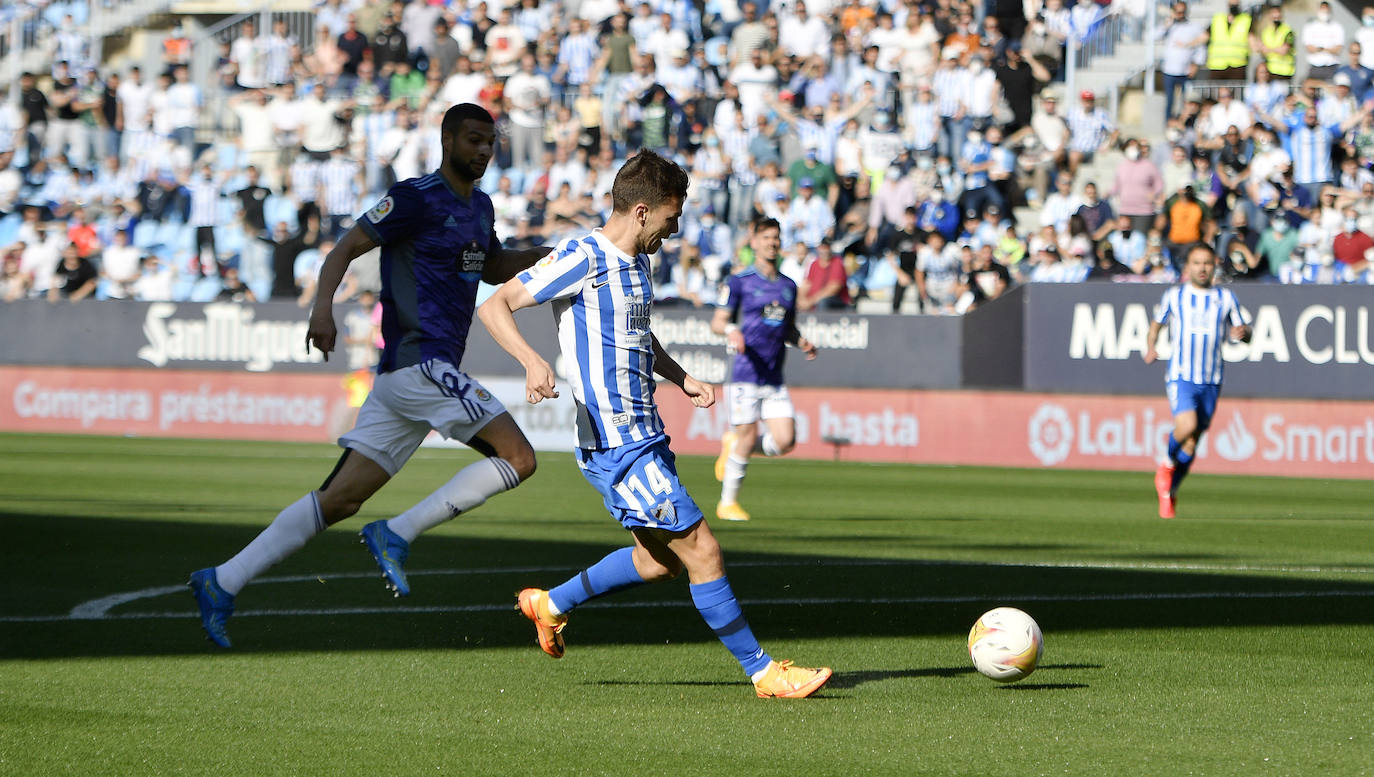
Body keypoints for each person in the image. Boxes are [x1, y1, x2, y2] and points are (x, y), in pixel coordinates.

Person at [188, 104, 551, 649]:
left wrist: (555, 257)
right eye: (473, 139)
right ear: (447, 138)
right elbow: (346, 247)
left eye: (489, 142)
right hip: (421, 364)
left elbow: (494, 267)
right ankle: (397, 532)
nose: (482, 150)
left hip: (404, 381)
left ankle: (222, 581)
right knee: (519, 458)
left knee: (338, 500)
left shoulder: (481, 207)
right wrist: (321, 310)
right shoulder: (412, 197)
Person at [477, 148, 832, 699]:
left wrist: (681, 375)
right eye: (669, 219)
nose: (672, 231)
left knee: (659, 560)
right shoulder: (582, 256)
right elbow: (496, 307)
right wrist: (531, 359)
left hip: (647, 431)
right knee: (703, 550)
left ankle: (550, 604)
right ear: (641, 211)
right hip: (615, 440)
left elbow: (636, 335)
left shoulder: (639, 262)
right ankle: (764, 673)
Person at [709, 217, 817, 523]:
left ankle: (733, 445)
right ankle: (727, 503)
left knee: (786, 441)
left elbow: (787, 329)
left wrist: (803, 341)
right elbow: (717, 321)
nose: (772, 242)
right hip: (744, 374)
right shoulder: (738, 282)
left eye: (776, 238)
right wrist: (731, 330)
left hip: (773, 376)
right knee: (748, 433)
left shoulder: (788, 286)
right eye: (766, 237)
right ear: (753, 242)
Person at [1143, 244, 1252, 519]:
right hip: (1182, 375)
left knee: (1191, 444)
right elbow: (1156, 324)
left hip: (1212, 378)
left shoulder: (1225, 298)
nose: (1202, 268)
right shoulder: (1175, 296)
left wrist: (1244, 333)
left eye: (1207, 263)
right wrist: (1151, 346)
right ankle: (1166, 465)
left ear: (1214, 266)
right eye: (1197, 263)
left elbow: (1244, 330)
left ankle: (1170, 491)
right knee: (1187, 424)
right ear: (1187, 267)